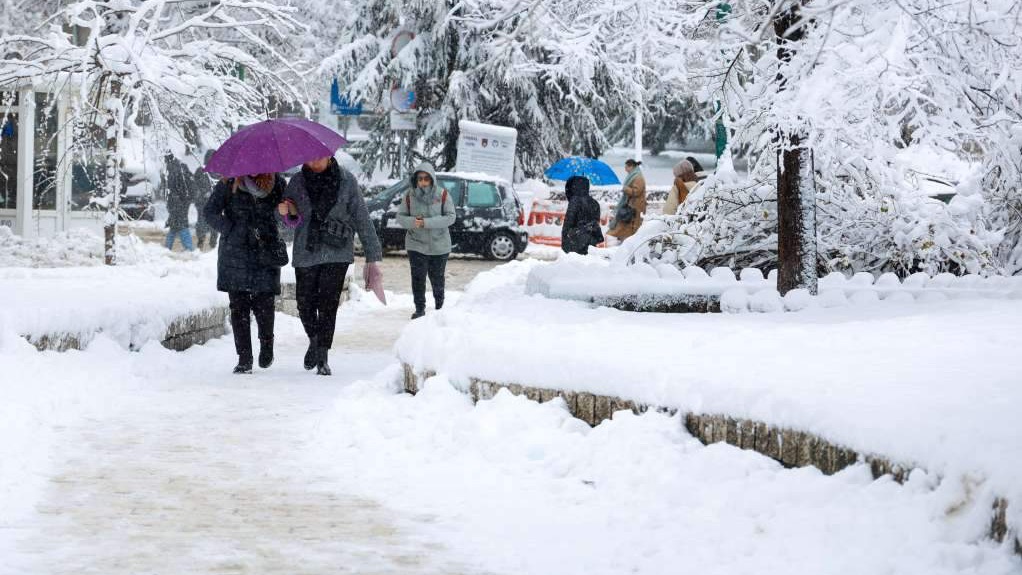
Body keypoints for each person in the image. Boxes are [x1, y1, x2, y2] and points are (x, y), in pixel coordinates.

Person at [278, 156, 382, 376]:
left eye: (319, 158)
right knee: (304, 303)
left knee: (327, 304)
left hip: (337, 249)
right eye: (310, 158)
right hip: (307, 249)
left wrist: (372, 254)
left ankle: (322, 355)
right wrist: (287, 213)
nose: (314, 162)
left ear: (329, 156)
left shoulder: (346, 180)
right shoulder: (297, 182)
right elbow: (288, 223)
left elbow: (361, 217)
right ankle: (315, 341)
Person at [203, 172, 286, 374]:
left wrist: (283, 213)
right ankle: (244, 358)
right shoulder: (229, 182)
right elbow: (209, 212)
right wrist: (230, 228)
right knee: (238, 308)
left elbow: (288, 219)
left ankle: (267, 343)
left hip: (265, 250)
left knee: (264, 304)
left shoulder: (278, 183)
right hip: (235, 253)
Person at [395, 162, 455, 320]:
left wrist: (427, 223)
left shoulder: (443, 195)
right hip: (416, 243)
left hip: (439, 245)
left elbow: (450, 217)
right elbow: (400, 217)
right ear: (415, 179)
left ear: (432, 179)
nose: (423, 182)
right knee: (418, 278)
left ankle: (439, 307)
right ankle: (420, 309)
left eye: (426, 179)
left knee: (437, 278)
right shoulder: (409, 196)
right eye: (420, 179)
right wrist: (413, 221)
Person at [561, 175, 603, 255]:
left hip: (575, 244)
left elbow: (568, 224)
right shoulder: (595, 203)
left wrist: (565, 244)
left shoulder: (574, 201)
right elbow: (596, 223)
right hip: (590, 244)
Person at [607, 158, 647, 242]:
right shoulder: (634, 175)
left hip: (636, 205)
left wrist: (626, 189)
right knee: (627, 224)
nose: (625, 169)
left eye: (626, 167)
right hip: (631, 204)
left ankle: (630, 240)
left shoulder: (638, 177)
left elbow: (637, 191)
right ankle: (628, 239)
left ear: (631, 166)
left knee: (630, 224)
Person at [164, 154, 195, 251]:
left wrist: (172, 201)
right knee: (177, 224)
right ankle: (169, 247)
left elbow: (171, 187)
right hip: (183, 201)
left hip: (176, 201)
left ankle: (188, 248)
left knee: (179, 225)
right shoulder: (182, 167)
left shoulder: (171, 169)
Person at [193, 152, 218, 250]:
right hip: (208, 202)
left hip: (207, 202)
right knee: (208, 222)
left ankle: (204, 242)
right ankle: (208, 242)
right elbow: (195, 185)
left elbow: (195, 184)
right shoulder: (215, 170)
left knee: (203, 222)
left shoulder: (202, 170)